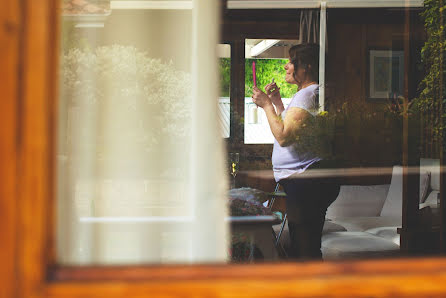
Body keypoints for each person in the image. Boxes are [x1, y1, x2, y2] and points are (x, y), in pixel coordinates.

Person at [252, 44, 340, 260]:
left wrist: (266, 106)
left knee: (304, 249)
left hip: (306, 182)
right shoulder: (309, 94)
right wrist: (277, 104)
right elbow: (296, 132)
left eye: (291, 62)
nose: (286, 66)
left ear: (306, 67)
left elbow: (283, 136)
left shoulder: (307, 95)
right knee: (305, 246)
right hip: (306, 181)